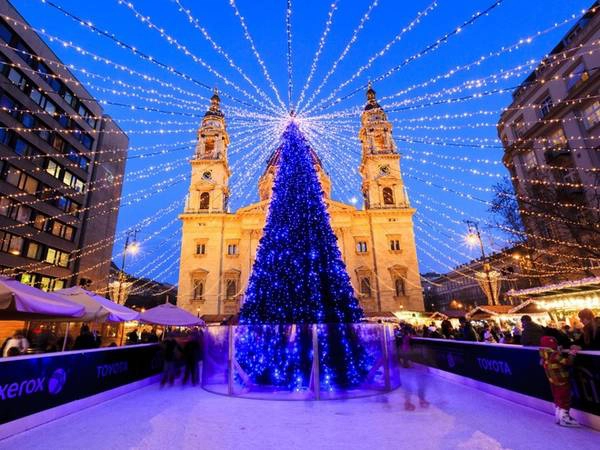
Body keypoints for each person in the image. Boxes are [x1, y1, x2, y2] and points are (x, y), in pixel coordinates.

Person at [539, 336, 579, 427]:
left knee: (558, 398)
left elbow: (551, 360)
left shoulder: (544, 355)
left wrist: (558, 351)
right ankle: (565, 418)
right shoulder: (554, 355)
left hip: (553, 381)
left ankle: (559, 416)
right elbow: (568, 362)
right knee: (565, 398)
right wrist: (572, 353)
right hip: (562, 380)